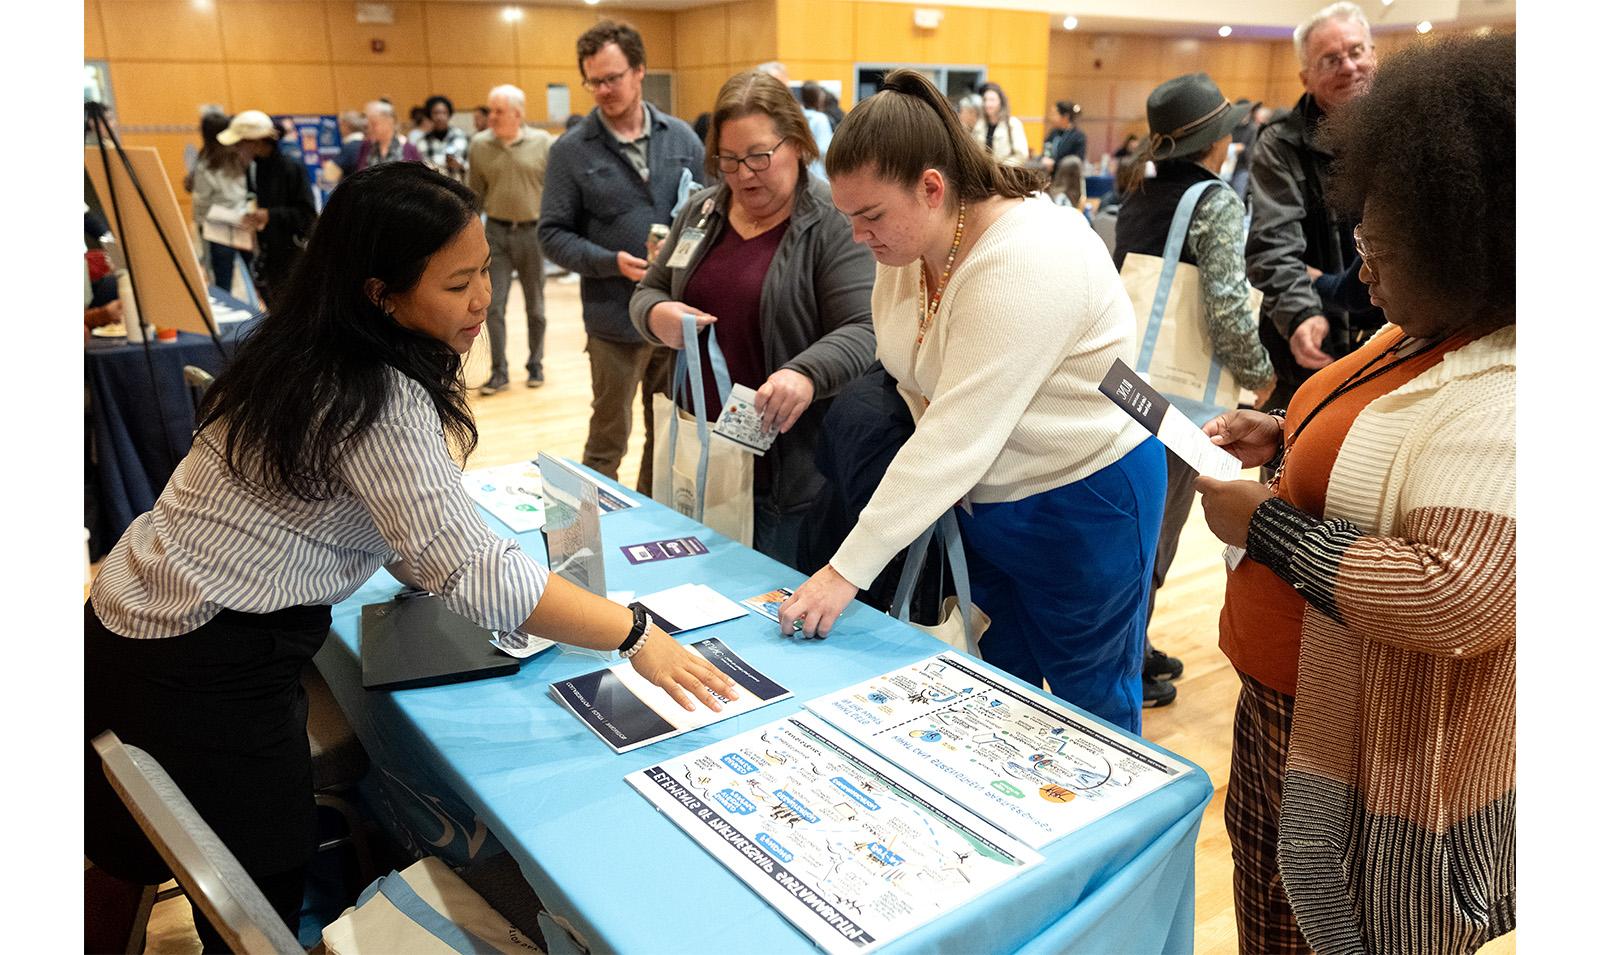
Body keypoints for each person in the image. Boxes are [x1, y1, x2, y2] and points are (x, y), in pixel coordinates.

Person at [84, 163, 738, 952]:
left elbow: (396, 528)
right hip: (199, 660)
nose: (481, 301)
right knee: (252, 885)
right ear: (378, 293)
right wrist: (636, 632)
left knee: (161, 846)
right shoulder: (372, 391)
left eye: (485, 272)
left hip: (129, 618)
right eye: (457, 283)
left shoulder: (302, 349)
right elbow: (469, 569)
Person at [1194, 33, 1514, 953]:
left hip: (1368, 747)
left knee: (1329, 929)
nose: (1361, 270)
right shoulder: (1424, 324)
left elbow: (1453, 592)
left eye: (1380, 246)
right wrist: (1285, 432)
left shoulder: (1514, 387)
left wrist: (1273, 531)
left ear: (1465, 241)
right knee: (1271, 913)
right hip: (1285, 695)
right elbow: (1368, 427)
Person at [777, 69, 1166, 735]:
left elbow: (956, 435)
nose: (858, 236)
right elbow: (910, 369)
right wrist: (933, 423)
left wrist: (845, 570)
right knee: (1001, 689)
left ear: (932, 188)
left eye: (870, 216)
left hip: (1083, 497)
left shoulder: (1028, 255)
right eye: (848, 217)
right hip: (983, 494)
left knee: (1089, 703)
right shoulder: (908, 249)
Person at [629, 70, 875, 567]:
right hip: (696, 459)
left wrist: (804, 372)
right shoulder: (702, 211)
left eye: (759, 156)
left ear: (798, 144)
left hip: (788, 475)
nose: (743, 174)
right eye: (729, 159)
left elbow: (866, 329)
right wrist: (657, 314)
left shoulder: (832, 220)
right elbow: (649, 288)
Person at [1112, 74, 1275, 708]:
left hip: (1127, 383)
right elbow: (1228, 307)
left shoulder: (1141, 189)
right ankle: (1129, 655)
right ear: (1219, 139)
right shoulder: (1215, 201)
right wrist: (1260, 373)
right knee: (1160, 530)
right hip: (1184, 398)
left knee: (1134, 520)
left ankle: (1132, 642)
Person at [539, 19, 705, 492]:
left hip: (672, 316)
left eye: (612, 78)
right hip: (612, 319)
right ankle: (590, 543)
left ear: (639, 72)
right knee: (609, 436)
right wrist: (610, 262)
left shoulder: (682, 140)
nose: (603, 90)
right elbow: (552, 234)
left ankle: (649, 526)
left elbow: (707, 211)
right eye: (593, 81)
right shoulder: (571, 151)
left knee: (666, 433)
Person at [1247, 1, 1378, 413]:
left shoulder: (1407, 128)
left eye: (1356, 51)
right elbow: (1272, 245)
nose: (1348, 66)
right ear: (1306, 77)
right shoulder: (1279, 144)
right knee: (1293, 462)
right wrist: (1301, 312)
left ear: (1374, 54)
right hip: (1312, 342)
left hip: (1393, 338)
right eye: (1330, 59)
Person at [469, 84, 555, 394]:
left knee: (536, 307)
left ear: (517, 114)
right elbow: (475, 194)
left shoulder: (543, 143)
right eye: (490, 110)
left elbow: (557, 192)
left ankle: (535, 365)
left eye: (498, 111)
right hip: (496, 233)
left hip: (532, 233)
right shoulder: (479, 145)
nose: (490, 116)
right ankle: (499, 371)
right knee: (493, 306)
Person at [217, 108, 316, 306]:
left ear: (257, 142)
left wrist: (270, 215)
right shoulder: (254, 168)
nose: (236, 149)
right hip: (266, 258)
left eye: (239, 143)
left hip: (291, 259)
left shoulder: (291, 167)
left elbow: (307, 216)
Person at [185, 107, 251, 292]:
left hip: (216, 226)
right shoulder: (239, 157)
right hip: (241, 219)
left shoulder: (205, 162)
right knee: (255, 277)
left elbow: (203, 201)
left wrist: (199, 226)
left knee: (223, 284)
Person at [351, 99, 423, 172]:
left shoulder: (409, 149)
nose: (370, 128)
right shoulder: (366, 147)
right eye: (368, 124)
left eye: (374, 124)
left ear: (389, 122)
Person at [972, 81, 1028, 165]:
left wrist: (1001, 168)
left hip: (1006, 173)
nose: (988, 104)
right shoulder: (980, 125)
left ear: (1001, 102)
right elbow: (973, 151)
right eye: (985, 100)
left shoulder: (1013, 124)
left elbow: (1021, 155)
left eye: (992, 100)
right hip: (984, 173)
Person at [418, 94, 470, 182]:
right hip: (434, 189)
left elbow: (471, 166)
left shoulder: (461, 136)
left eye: (444, 113)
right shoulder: (422, 142)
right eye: (436, 113)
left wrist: (459, 165)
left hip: (458, 187)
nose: (440, 117)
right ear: (430, 115)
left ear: (449, 114)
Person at [799, 81, 833, 182]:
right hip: (818, 175)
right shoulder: (821, 119)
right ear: (818, 98)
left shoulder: (798, 117)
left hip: (801, 175)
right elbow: (824, 150)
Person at [1041, 100, 1086, 172]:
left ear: (1065, 117)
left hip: (1067, 178)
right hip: (1050, 175)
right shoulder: (1053, 133)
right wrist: (1046, 158)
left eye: (1054, 114)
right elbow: (1047, 146)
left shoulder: (1078, 137)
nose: (1051, 117)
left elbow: (1076, 161)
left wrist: (1055, 164)